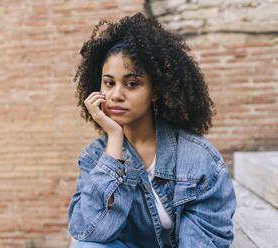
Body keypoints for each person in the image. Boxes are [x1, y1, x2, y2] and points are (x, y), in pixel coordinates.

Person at [67, 12, 236, 248]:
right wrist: (115, 139)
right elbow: (89, 232)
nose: (116, 95)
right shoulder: (95, 157)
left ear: (155, 91)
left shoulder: (198, 160)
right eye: (109, 83)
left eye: (132, 83)